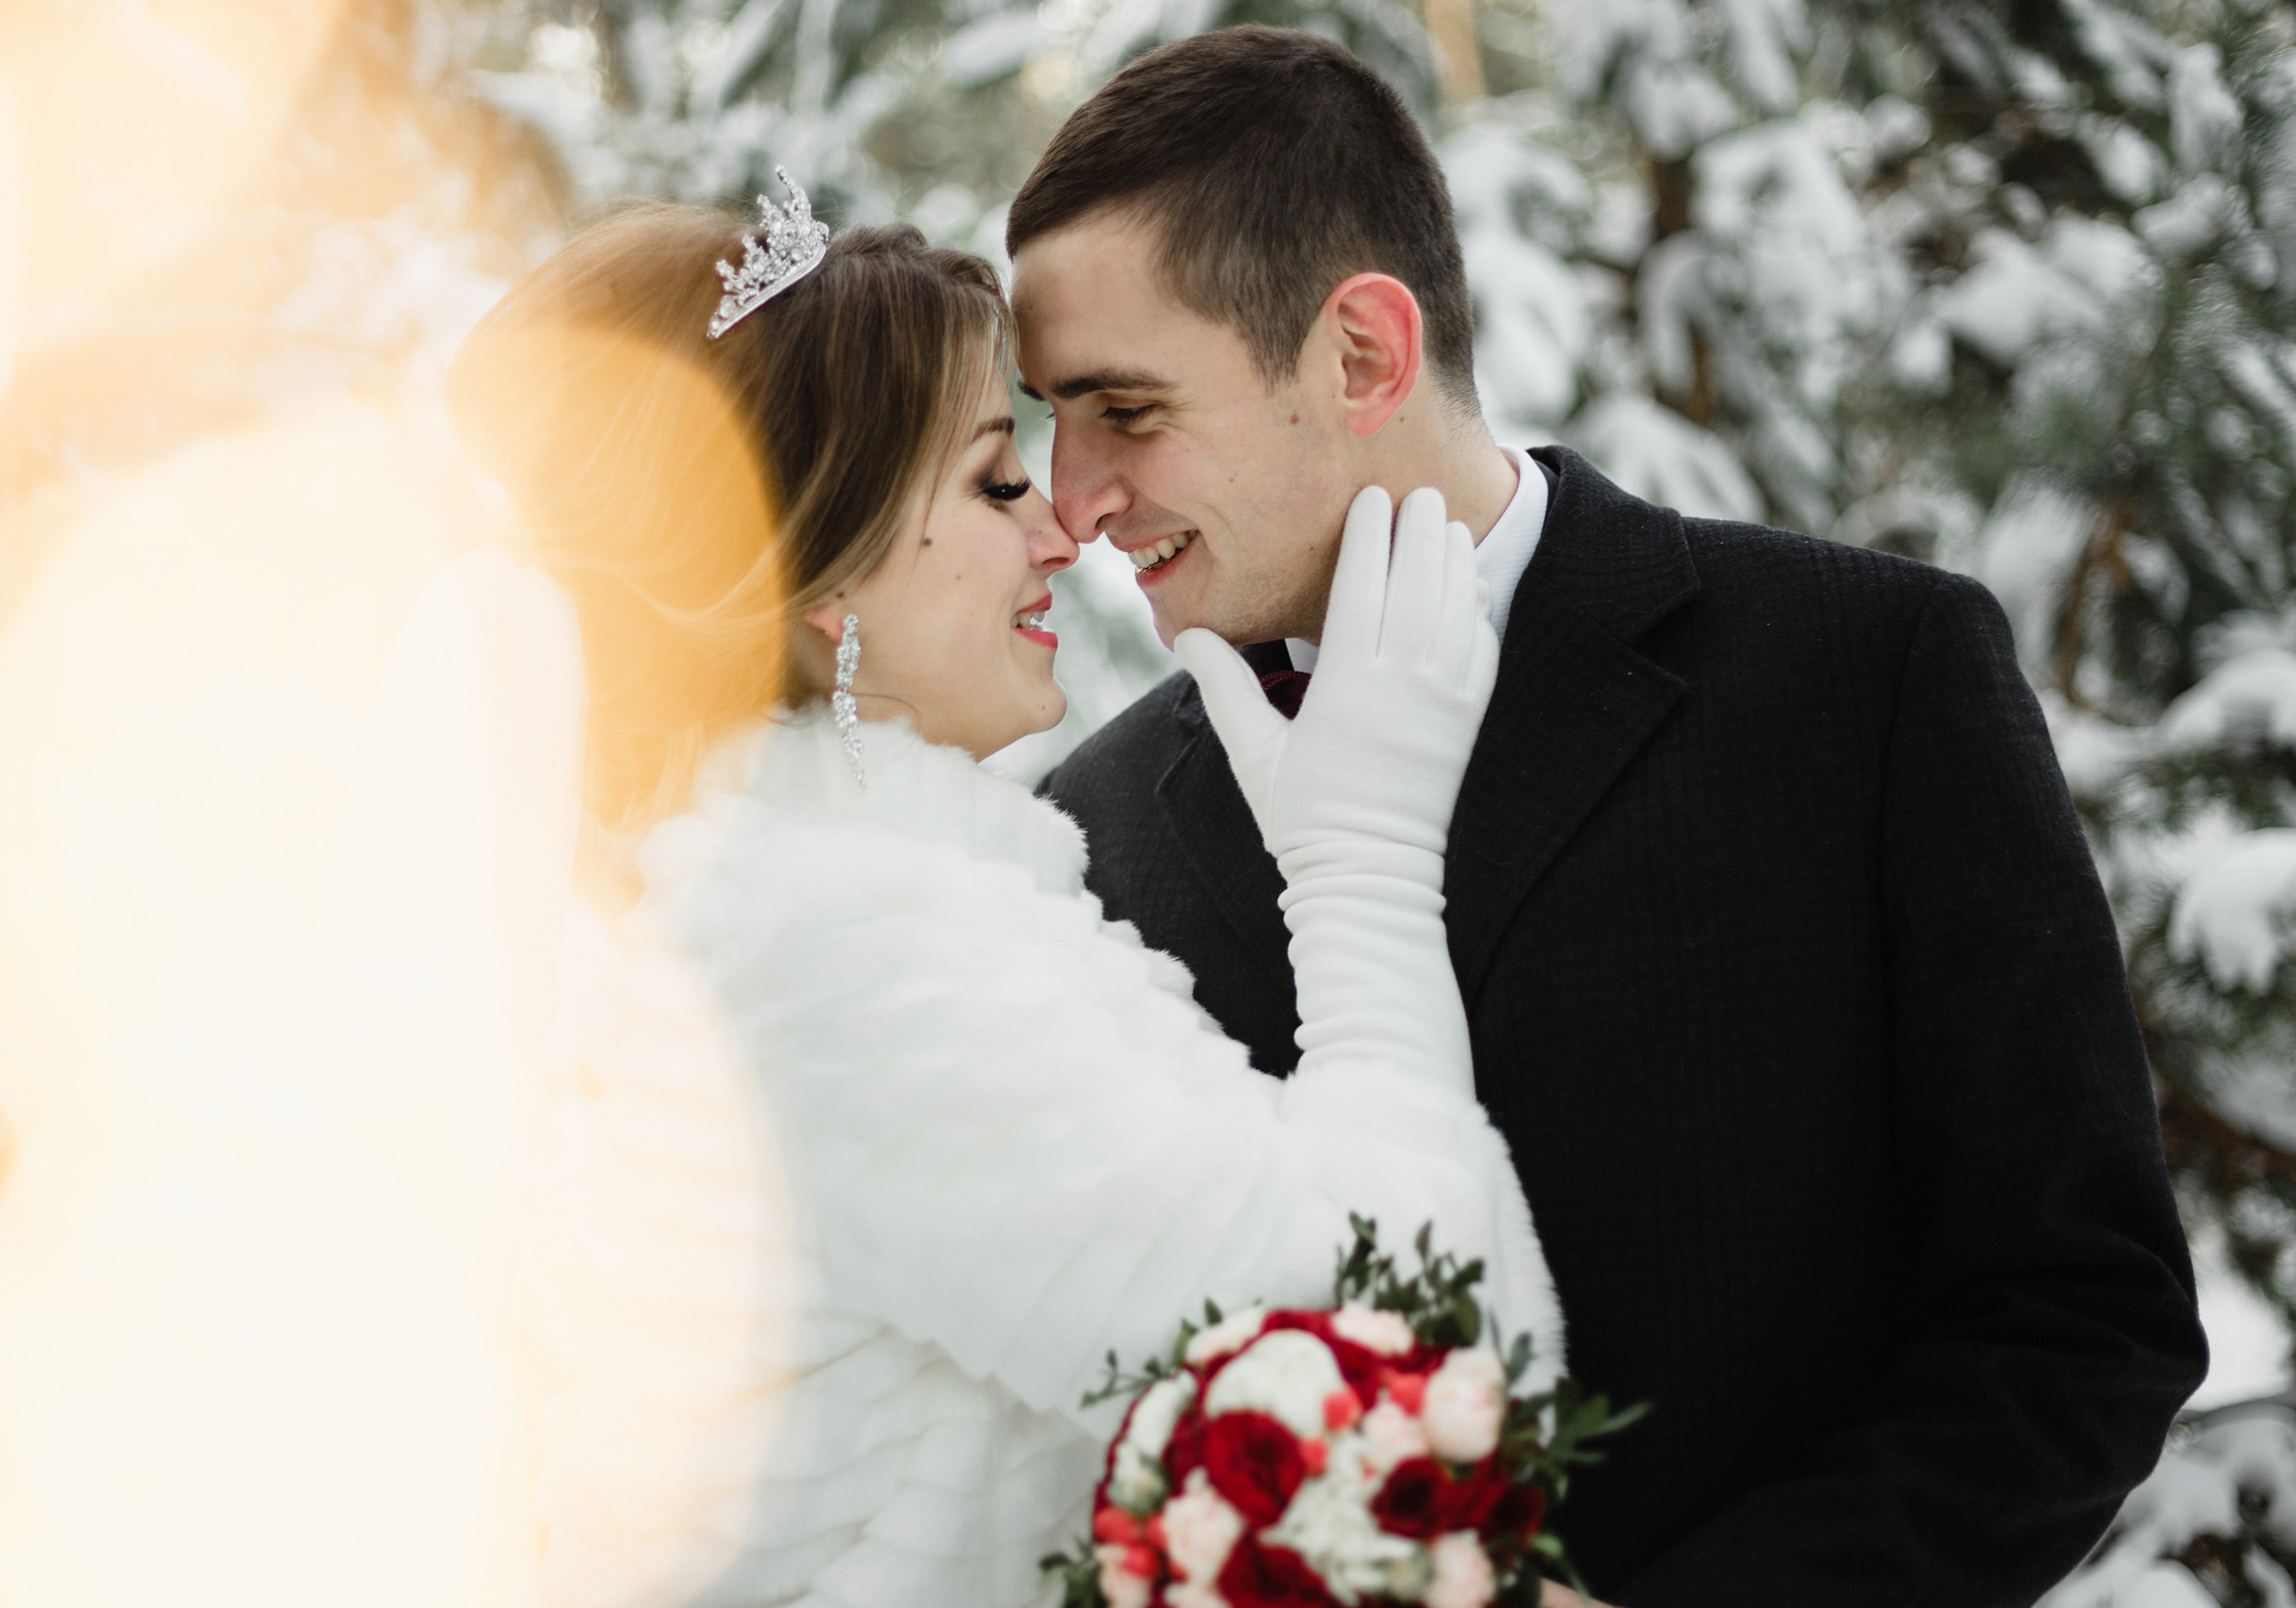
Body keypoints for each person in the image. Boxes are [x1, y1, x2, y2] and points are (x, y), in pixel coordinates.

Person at [1014, 26, 2210, 1607]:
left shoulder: (1865, 677)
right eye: (1047, 417)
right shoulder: (1096, 836)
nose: (1070, 494)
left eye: (1123, 409)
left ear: (1363, 355)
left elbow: (2081, 1314)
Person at [445, 199, 1558, 1607]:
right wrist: (1366, 874)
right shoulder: (840, 951)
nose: (1059, 530)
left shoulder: (799, 897)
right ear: (823, 584)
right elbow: (1408, 1382)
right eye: (989, 483)